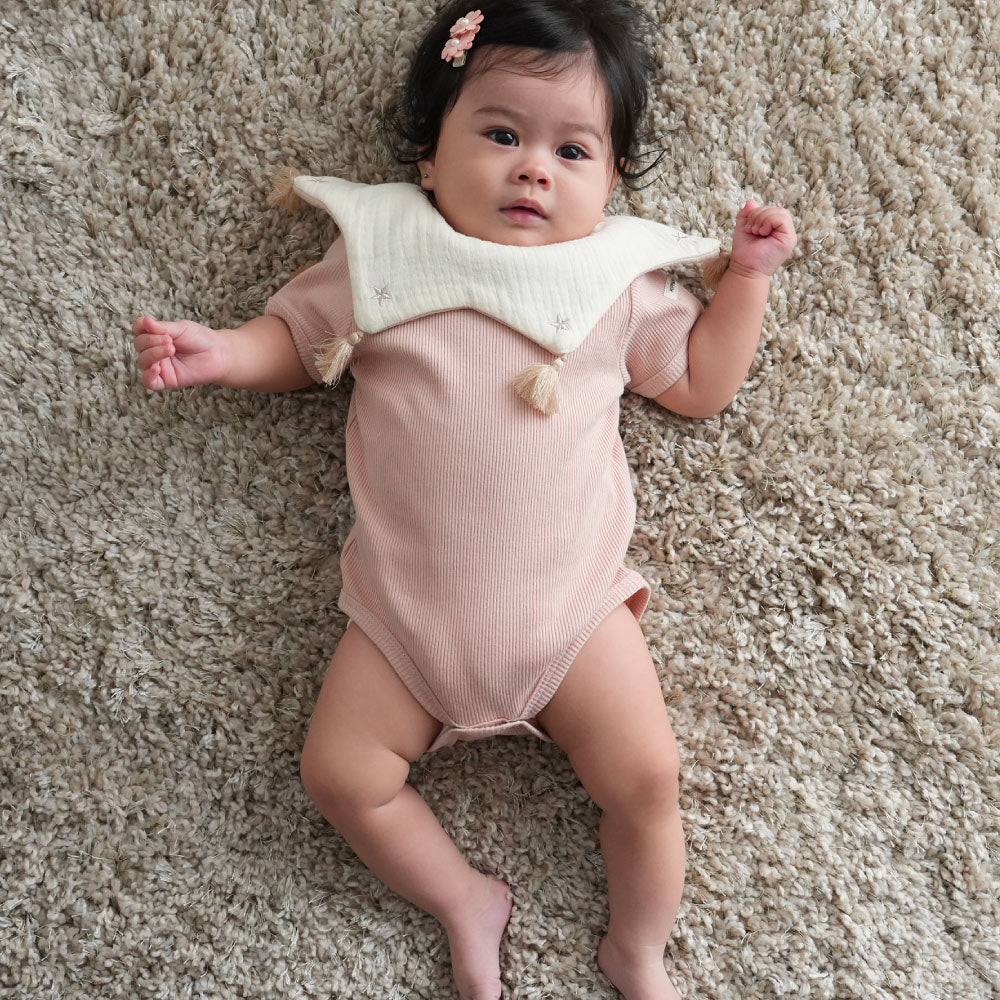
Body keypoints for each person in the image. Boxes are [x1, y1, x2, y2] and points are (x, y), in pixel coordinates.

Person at [131, 2, 797, 997]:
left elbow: (700, 384)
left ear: (612, 181)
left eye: (571, 151)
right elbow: (300, 341)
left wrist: (744, 279)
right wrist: (225, 352)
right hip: (407, 626)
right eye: (499, 134)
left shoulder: (611, 284)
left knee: (648, 779)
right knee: (340, 775)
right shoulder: (383, 259)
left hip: (572, 622)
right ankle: (462, 897)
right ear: (428, 158)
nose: (533, 170)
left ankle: (637, 947)